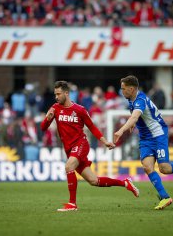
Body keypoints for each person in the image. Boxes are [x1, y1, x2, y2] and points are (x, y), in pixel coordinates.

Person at [41, 81, 139, 212]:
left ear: (66, 93)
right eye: (55, 94)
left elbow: (92, 127)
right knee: (94, 181)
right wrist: (48, 118)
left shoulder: (79, 110)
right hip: (69, 149)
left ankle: (72, 204)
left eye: (58, 94)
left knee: (69, 166)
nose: (56, 97)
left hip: (81, 144)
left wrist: (104, 141)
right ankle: (125, 183)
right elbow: (43, 128)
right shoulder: (55, 108)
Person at [114, 75, 173, 210]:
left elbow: (134, 116)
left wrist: (121, 131)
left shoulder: (140, 100)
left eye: (123, 89)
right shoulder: (132, 100)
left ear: (131, 89)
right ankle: (165, 197)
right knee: (147, 166)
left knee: (164, 168)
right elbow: (136, 116)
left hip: (158, 135)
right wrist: (134, 124)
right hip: (145, 138)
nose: (122, 91)